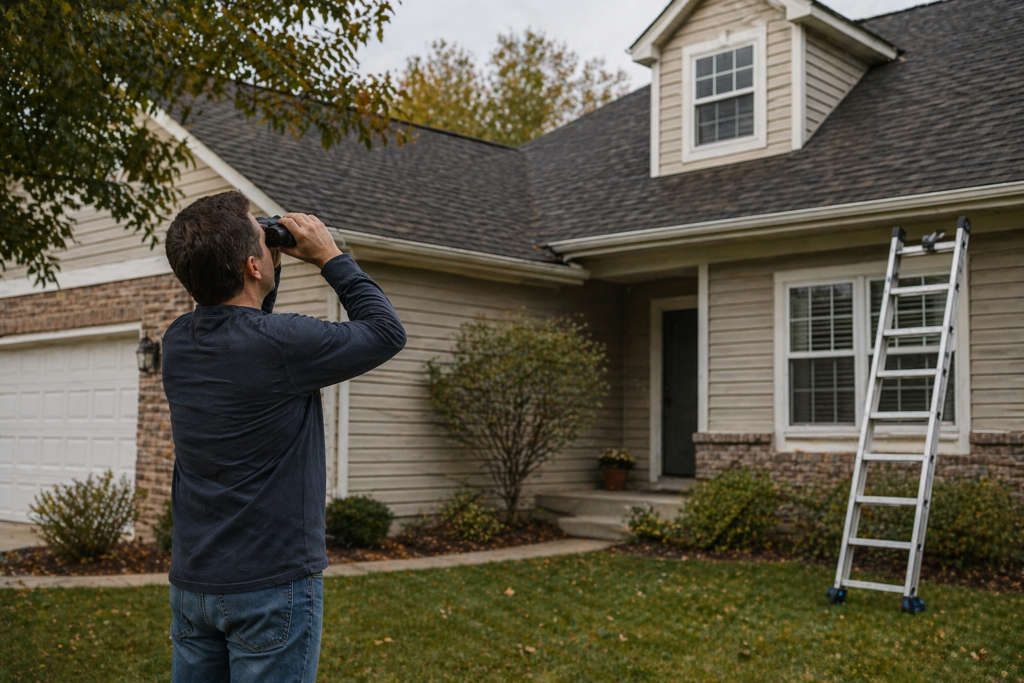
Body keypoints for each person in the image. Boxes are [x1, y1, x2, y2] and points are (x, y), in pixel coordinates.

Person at [160, 190, 406, 682]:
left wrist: (261, 262)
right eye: (262, 232)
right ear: (253, 266)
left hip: (195, 585)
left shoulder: (177, 341)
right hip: (271, 587)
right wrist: (329, 256)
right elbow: (385, 331)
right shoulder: (283, 345)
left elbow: (247, 321)